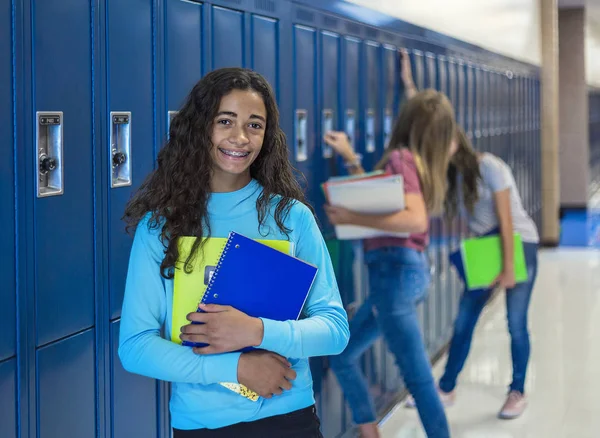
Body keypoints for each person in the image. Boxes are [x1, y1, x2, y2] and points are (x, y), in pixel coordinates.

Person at [118, 67, 350, 438]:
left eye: (254, 125)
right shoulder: (160, 227)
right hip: (202, 424)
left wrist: (256, 331)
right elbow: (135, 347)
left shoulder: (291, 218)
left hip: (289, 417)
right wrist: (237, 368)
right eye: (225, 121)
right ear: (200, 127)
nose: (240, 138)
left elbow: (335, 330)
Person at [400, 50, 539, 420]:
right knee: (463, 321)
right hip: (482, 250)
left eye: (444, 141)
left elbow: (508, 223)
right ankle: (445, 389)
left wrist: (509, 269)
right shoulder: (445, 177)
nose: (439, 148)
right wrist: (410, 86)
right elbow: (424, 118)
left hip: (518, 245)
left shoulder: (489, 166)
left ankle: (517, 391)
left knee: (515, 321)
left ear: (457, 142)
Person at [323, 88, 457, 438]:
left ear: (406, 121)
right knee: (342, 354)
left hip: (395, 276)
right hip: (399, 277)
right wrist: (352, 159)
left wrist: (351, 216)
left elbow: (414, 220)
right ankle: (369, 428)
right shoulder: (422, 164)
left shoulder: (401, 158)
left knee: (417, 376)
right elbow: (382, 199)